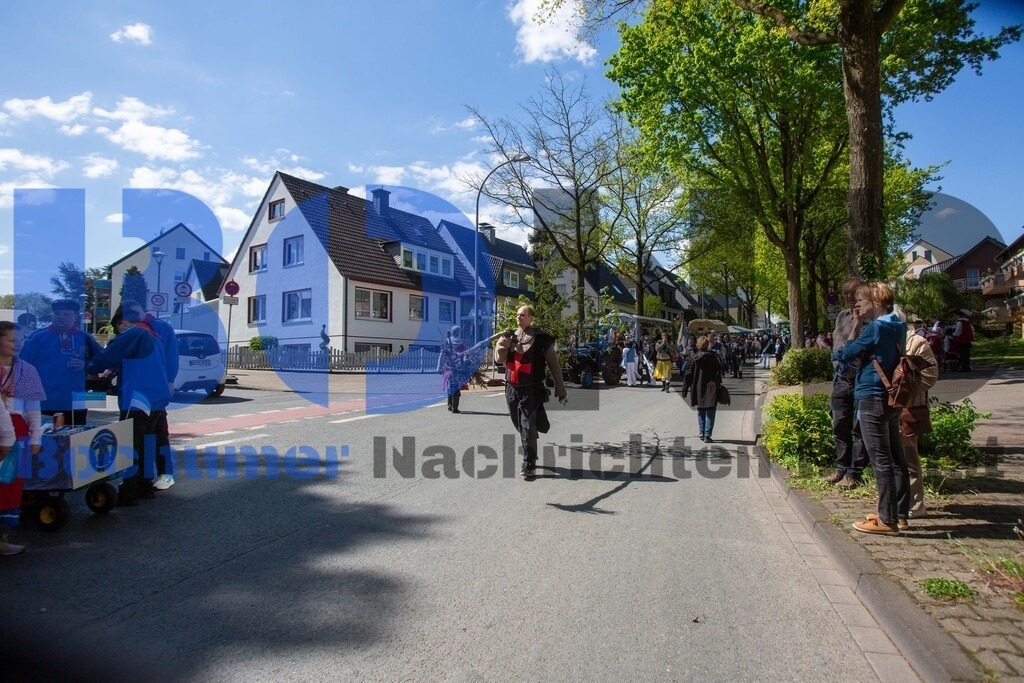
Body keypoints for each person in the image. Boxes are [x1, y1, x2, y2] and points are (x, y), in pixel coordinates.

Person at [836, 282, 909, 536]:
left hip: (871, 395)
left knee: (881, 459)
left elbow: (846, 353)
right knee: (896, 458)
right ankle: (899, 514)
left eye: (861, 302)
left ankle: (886, 519)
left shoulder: (876, 328)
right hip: (890, 396)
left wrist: (855, 325)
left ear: (875, 302)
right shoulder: (898, 326)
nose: (857, 306)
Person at [86, 305, 172, 506]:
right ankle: (144, 486)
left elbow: (108, 356)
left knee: (129, 443)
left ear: (122, 322)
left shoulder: (134, 332)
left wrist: (88, 367)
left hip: (138, 398)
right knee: (147, 442)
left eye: (118, 327)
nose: (119, 331)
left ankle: (129, 491)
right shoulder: (153, 336)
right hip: (157, 397)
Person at [494, 306, 567, 479]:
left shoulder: (542, 339)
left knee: (527, 425)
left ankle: (529, 463)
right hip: (511, 388)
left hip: (531, 389)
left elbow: (554, 365)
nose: (518, 317)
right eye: (517, 314)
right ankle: (531, 439)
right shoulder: (511, 336)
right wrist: (501, 346)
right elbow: (499, 360)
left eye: (522, 315)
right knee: (519, 423)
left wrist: (560, 388)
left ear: (531, 318)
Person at [0, 322, 46, 556]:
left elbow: (33, 408)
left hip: (17, 430)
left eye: (21, 340)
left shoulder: (27, 370)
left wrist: (36, 436)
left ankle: (2, 538)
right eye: (11, 340)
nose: (17, 344)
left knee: (8, 483)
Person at [20, 299, 103, 427]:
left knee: (74, 438)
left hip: (76, 401)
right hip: (44, 399)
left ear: (75, 316)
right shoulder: (37, 337)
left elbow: (102, 360)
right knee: (44, 439)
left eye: (66, 314)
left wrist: (85, 365)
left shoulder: (85, 338)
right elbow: (21, 364)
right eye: (57, 313)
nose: (61, 317)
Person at [123, 300, 178, 490]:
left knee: (157, 432)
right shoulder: (127, 327)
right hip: (133, 391)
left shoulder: (161, 328)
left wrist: (170, 381)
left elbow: (171, 356)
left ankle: (165, 474)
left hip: (155, 389)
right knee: (141, 433)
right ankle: (139, 477)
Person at [823, 276, 868, 489]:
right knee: (839, 424)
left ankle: (854, 472)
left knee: (859, 427)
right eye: (846, 294)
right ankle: (840, 468)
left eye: (853, 293)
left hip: (861, 379)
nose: (849, 297)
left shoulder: (871, 318)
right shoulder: (841, 316)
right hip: (841, 378)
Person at [894, 309, 938, 522]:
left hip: (908, 407)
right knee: (894, 457)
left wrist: (906, 390)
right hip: (887, 407)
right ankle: (898, 501)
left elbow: (930, 375)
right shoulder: (884, 340)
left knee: (909, 457)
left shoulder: (917, 342)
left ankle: (916, 504)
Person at [682, 336, 723, 443]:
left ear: (698, 345)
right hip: (712, 386)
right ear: (707, 345)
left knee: (701, 410)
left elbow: (688, 375)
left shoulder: (693, 358)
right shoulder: (713, 357)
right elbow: (721, 368)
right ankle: (707, 435)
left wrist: (685, 389)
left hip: (698, 387)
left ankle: (701, 432)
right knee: (710, 411)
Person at [437, 325, 469, 413]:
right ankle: (454, 407)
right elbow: (465, 355)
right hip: (456, 369)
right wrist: (465, 363)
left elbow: (441, 355)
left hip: (448, 369)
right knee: (455, 388)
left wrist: (439, 367)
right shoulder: (461, 342)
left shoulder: (447, 342)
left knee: (450, 387)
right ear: (458, 332)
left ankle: (450, 406)